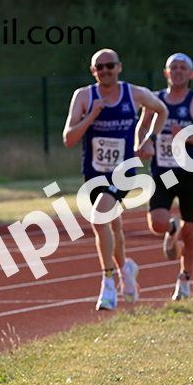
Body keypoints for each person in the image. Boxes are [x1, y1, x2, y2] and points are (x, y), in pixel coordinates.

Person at [63, 48, 168, 310]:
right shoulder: (84, 96)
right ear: (93, 71)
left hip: (123, 172)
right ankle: (126, 271)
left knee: (99, 217)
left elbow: (161, 110)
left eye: (110, 65)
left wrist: (149, 138)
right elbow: (69, 139)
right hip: (93, 173)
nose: (105, 70)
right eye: (100, 67)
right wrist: (91, 116)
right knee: (114, 228)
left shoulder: (134, 94)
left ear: (119, 67)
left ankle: (108, 283)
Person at [137, 53, 193, 300]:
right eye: (173, 68)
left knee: (191, 233)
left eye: (182, 68)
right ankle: (172, 228)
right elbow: (142, 125)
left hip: (188, 173)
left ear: (191, 74)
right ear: (166, 72)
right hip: (163, 173)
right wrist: (142, 144)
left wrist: (186, 136)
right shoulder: (155, 99)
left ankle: (184, 279)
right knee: (157, 223)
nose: (177, 71)